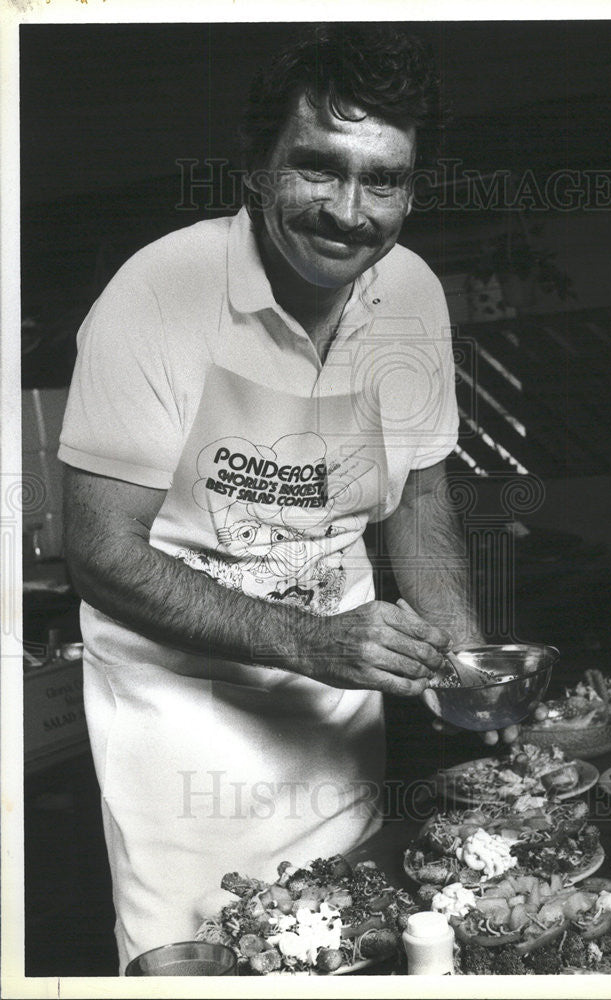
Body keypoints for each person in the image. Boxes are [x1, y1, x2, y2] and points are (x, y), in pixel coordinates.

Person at [59, 23, 516, 971]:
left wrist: (466, 660)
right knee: (201, 961)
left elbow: (417, 498)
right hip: (181, 727)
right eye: (318, 169)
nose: (349, 212)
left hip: (336, 714)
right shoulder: (156, 295)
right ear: (257, 169)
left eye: (381, 180)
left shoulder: (413, 295)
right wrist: (309, 641)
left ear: (411, 188)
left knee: (353, 946)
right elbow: (100, 549)